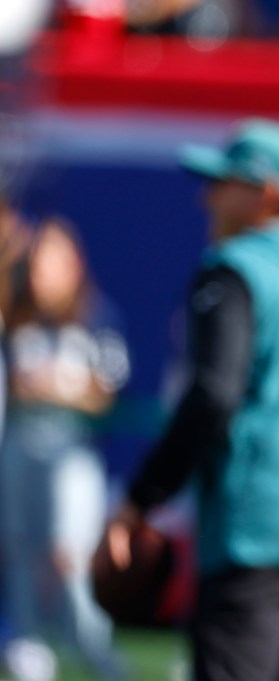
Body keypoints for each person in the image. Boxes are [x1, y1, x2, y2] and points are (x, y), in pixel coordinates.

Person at [103, 119, 279, 681]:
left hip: (257, 536)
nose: (208, 196)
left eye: (225, 181)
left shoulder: (237, 270)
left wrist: (142, 499)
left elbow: (212, 394)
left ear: (269, 193)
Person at [0, 217, 130, 681]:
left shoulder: (95, 317)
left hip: (70, 454)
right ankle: (30, 644)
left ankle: (94, 645)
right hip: (19, 448)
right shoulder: (15, 318)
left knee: (68, 555)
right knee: (19, 550)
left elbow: (109, 387)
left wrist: (58, 389)